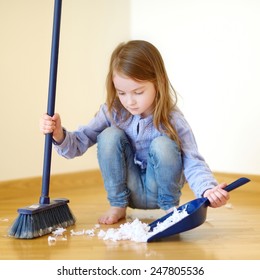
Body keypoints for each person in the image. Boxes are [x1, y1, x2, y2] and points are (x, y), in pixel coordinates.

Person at [40, 40, 229, 225]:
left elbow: (192, 159)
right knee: (109, 135)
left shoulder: (172, 118)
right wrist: (59, 135)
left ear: (158, 82)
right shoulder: (112, 111)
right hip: (129, 190)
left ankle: (170, 209)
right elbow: (80, 141)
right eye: (122, 93)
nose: (130, 101)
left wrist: (207, 189)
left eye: (138, 92)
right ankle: (117, 205)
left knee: (163, 144)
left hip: (161, 189)